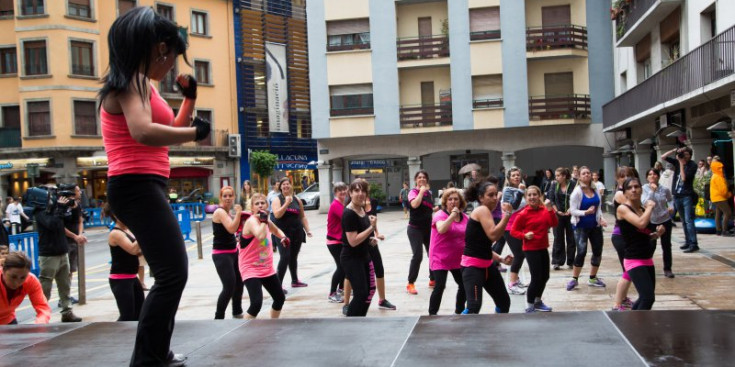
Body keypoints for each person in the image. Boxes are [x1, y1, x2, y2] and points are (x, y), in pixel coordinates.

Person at [99, 7, 210, 366]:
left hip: (149, 184)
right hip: (134, 185)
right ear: (157, 48)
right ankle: (148, 358)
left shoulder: (143, 85)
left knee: (171, 273)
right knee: (172, 273)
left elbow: (168, 127)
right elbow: (144, 133)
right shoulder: (128, 81)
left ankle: (154, 353)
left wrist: (190, 100)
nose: (171, 68)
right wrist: (194, 133)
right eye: (171, 58)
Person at [462, 180, 513, 314]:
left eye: (496, 194)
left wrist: (500, 259)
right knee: (473, 307)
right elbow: (493, 235)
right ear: (481, 198)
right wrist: (507, 215)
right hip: (472, 268)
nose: (495, 198)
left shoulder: (486, 212)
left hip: (487, 266)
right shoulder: (482, 210)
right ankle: (460, 330)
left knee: (504, 303)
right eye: (490, 195)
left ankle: (496, 331)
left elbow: (482, 245)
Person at [616, 177, 665, 310]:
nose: (634, 190)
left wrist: (656, 234)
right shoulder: (622, 209)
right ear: (625, 192)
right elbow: (641, 224)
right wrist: (649, 207)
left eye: (636, 187)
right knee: (648, 298)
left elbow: (644, 233)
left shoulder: (642, 210)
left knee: (646, 298)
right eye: (630, 188)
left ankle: (634, 321)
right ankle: (637, 326)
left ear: (641, 190)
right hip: (633, 259)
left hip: (647, 258)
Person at [35, 193, 82, 323]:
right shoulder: (40, 213)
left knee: (65, 284)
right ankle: (42, 313)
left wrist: (71, 206)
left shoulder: (57, 210)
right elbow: (53, 225)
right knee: (46, 286)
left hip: (62, 251)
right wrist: (61, 209)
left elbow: (71, 219)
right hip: (49, 255)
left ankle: (67, 311)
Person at [239, 193, 287, 319]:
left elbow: (276, 230)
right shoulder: (251, 222)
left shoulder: (266, 221)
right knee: (256, 304)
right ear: (252, 208)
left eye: (263, 203)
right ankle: (243, 330)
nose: (260, 205)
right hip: (251, 269)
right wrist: (264, 221)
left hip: (266, 268)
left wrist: (283, 237)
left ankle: (273, 324)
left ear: (267, 205)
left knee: (279, 298)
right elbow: (260, 236)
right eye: (257, 203)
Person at [510, 186, 557, 313]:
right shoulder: (523, 214)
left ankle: (537, 300)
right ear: (526, 198)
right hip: (530, 249)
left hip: (543, 247)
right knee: (536, 278)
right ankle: (530, 304)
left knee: (545, 276)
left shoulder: (544, 210)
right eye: (529, 195)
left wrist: (550, 209)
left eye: (534, 194)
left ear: (539, 196)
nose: (532, 197)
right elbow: (513, 231)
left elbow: (554, 224)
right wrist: (524, 235)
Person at [341, 179, 378, 317]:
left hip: (364, 256)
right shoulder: (349, 213)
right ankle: (352, 321)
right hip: (351, 258)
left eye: (363, 190)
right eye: (356, 190)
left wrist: (370, 240)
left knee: (370, 291)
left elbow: (360, 235)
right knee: (361, 293)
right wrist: (371, 228)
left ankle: (361, 319)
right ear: (350, 193)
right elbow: (353, 241)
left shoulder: (361, 208)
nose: (360, 193)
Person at [567, 166, 607, 291]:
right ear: (579, 176)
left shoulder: (595, 190)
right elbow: (572, 210)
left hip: (595, 226)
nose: (586, 175)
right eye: (583, 173)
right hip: (580, 227)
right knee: (581, 252)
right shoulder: (577, 192)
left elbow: (599, 207)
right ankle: (574, 279)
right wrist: (585, 213)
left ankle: (593, 277)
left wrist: (601, 218)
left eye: (588, 173)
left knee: (597, 251)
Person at [428, 188, 468, 315]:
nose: (453, 202)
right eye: (450, 199)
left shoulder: (466, 218)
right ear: (445, 202)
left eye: (456, 199)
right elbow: (441, 229)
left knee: (464, 284)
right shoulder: (440, 215)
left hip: (457, 258)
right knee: (440, 286)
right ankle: (432, 315)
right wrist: (452, 216)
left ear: (460, 202)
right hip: (440, 257)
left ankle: (459, 311)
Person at [104, 204, 145, 321]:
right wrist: (142, 232)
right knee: (127, 316)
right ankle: (117, 337)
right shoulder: (116, 233)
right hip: (120, 279)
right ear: (116, 216)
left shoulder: (127, 230)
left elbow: (137, 251)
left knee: (139, 313)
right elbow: (132, 249)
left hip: (132, 277)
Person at [271, 177, 313, 288]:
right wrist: (286, 203)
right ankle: (278, 284)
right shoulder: (277, 200)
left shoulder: (297, 200)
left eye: (287, 184)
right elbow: (277, 215)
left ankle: (294, 280)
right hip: (282, 233)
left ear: (291, 186)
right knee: (285, 256)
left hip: (297, 232)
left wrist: (307, 230)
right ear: (280, 187)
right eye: (283, 184)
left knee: (293, 256)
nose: (286, 186)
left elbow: (302, 216)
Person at [211, 186, 245, 319]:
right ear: (220, 197)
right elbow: (231, 228)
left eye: (230, 195)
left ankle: (237, 311)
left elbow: (231, 233)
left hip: (233, 252)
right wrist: (238, 214)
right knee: (229, 286)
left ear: (234, 197)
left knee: (239, 283)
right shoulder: (220, 212)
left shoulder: (227, 212)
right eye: (225, 196)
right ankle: (219, 316)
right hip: (221, 254)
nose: (228, 198)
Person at [364, 189, 396, 311]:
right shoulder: (355, 204)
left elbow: (373, 220)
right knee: (354, 272)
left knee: (379, 268)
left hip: (372, 241)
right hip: (359, 243)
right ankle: (347, 303)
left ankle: (382, 300)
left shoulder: (373, 202)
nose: (361, 191)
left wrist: (377, 234)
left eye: (363, 187)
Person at [662, 147, 699, 252]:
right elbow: (663, 157)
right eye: (683, 154)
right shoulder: (678, 162)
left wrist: (681, 164)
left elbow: (683, 178)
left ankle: (694, 243)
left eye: (686, 154)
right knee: (683, 221)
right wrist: (674, 150)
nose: (684, 156)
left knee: (688, 220)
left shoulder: (692, 165)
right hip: (677, 195)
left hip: (687, 195)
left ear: (690, 155)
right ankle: (688, 241)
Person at [610, 166, 636, 311]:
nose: (625, 178)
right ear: (618, 179)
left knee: (628, 270)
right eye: (622, 176)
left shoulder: (626, 193)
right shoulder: (620, 194)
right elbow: (636, 209)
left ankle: (623, 300)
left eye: (628, 176)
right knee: (628, 270)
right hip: (621, 236)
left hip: (627, 235)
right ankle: (618, 303)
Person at [642, 168, 675, 279]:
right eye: (650, 174)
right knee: (651, 245)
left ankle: (668, 268)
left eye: (655, 174)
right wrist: (652, 191)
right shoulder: (644, 189)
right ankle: (646, 266)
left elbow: (670, 199)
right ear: (647, 177)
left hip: (665, 219)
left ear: (658, 176)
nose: (652, 176)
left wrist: (671, 207)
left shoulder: (665, 189)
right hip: (651, 220)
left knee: (666, 245)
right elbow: (645, 203)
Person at [0, 251, 51, 325]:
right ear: (3, 271)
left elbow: (42, 307)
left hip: (8, 319)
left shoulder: (31, 280)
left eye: (23, 277)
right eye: (13, 277)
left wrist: (40, 323)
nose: (17, 282)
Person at [406, 170, 435, 295]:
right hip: (414, 229)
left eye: (424, 177)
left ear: (427, 180)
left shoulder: (430, 193)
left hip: (428, 229)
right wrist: (421, 191)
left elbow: (428, 208)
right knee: (417, 256)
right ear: (416, 180)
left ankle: (433, 279)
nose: (422, 179)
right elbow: (415, 204)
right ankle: (410, 283)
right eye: (419, 177)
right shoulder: (413, 192)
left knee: (433, 254)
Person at [500, 167, 527, 295]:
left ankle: (516, 280)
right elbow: (513, 207)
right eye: (513, 175)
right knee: (519, 254)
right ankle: (512, 283)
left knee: (522, 253)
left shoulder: (521, 188)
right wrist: (521, 192)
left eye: (518, 175)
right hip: (510, 227)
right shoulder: (508, 190)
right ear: (509, 179)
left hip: (521, 226)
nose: (516, 177)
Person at [548, 167, 576, 270]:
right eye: (556, 175)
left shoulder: (572, 184)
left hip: (571, 214)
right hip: (558, 215)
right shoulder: (554, 185)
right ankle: (557, 261)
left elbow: (576, 199)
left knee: (571, 238)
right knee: (558, 238)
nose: (556, 177)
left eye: (558, 175)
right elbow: (551, 199)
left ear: (564, 176)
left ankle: (571, 261)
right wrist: (556, 211)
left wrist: (570, 209)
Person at [63, 185, 87, 306]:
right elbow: (60, 226)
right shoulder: (63, 205)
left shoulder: (77, 205)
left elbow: (80, 220)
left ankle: (67, 296)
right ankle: (63, 297)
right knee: (65, 271)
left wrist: (79, 234)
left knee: (72, 269)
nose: (80, 193)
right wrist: (74, 236)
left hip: (75, 240)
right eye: (78, 191)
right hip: (65, 241)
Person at [326, 182, 348, 303]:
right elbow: (346, 217)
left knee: (344, 266)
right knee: (341, 267)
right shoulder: (335, 205)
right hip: (334, 241)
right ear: (335, 192)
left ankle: (340, 289)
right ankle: (332, 293)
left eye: (344, 190)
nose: (343, 192)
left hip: (339, 240)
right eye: (340, 190)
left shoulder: (341, 203)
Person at [710, 156, 733, 236]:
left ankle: (718, 230)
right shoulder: (719, 177)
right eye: (721, 168)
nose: (722, 169)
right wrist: (729, 194)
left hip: (716, 198)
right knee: (728, 213)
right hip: (720, 198)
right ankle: (724, 230)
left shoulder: (714, 176)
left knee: (718, 214)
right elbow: (723, 190)